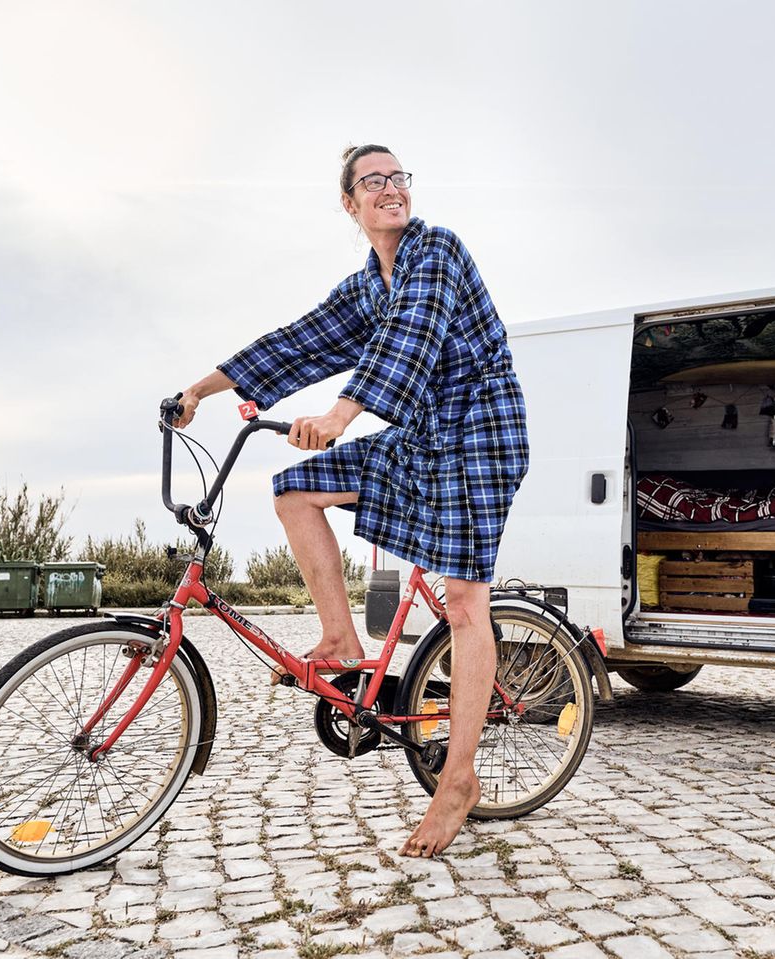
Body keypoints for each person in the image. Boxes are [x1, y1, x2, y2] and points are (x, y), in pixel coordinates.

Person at [174, 144, 529, 858]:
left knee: (464, 601)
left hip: (481, 435)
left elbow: (412, 338)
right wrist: (196, 391)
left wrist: (340, 414)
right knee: (294, 492)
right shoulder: (368, 285)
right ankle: (342, 639)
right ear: (351, 204)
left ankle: (457, 778)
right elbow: (297, 340)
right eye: (375, 180)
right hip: (423, 436)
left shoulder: (438, 252)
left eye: (400, 177)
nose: (392, 188)